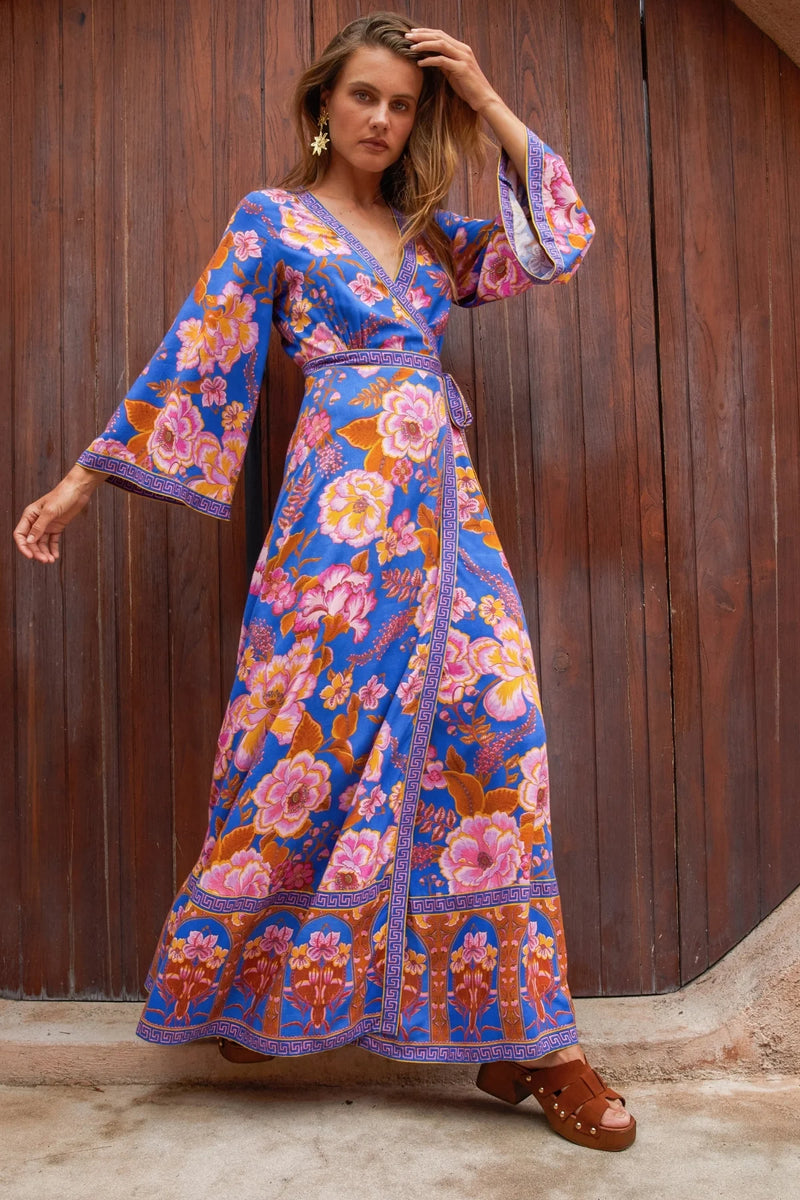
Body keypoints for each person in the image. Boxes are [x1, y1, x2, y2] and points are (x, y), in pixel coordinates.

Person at [14, 12, 634, 1151]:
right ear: (322, 104)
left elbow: (558, 242)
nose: (383, 121)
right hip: (335, 534)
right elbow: (192, 352)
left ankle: (538, 1040)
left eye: (403, 105)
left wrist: (486, 98)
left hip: (448, 525)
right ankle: (264, 990)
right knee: (300, 748)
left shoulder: (437, 241)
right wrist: (79, 484)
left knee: (499, 731)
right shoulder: (275, 222)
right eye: (364, 98)